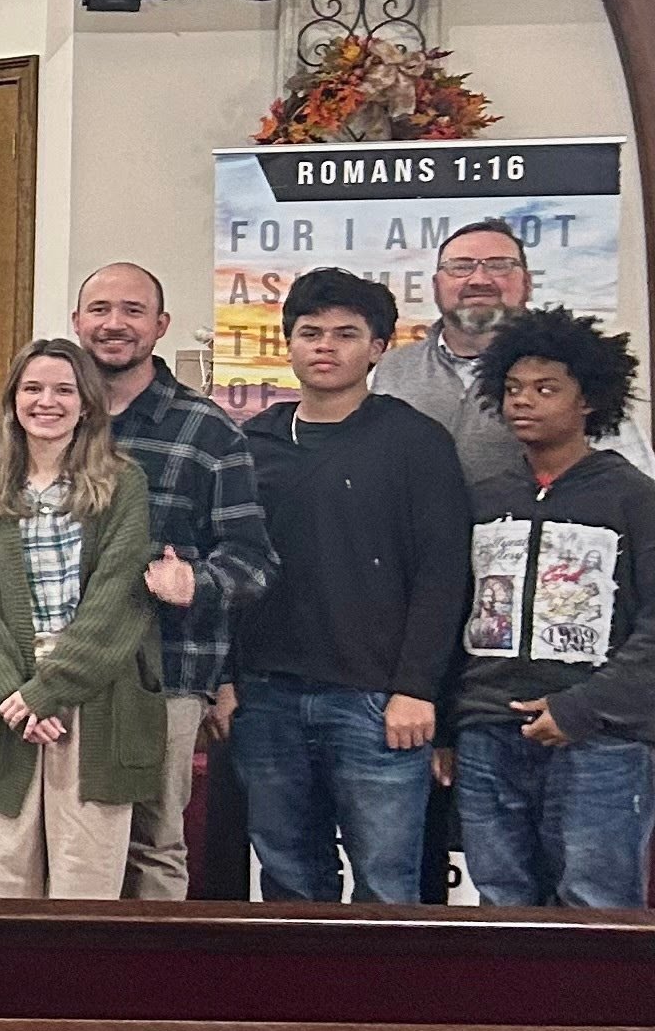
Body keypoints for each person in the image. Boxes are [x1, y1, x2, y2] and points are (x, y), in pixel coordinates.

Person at [235, 268, 471, 903]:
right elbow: (228, 566)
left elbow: (443, 575)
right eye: (310, 332)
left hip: (378, 701)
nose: (325, 346)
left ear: (378, 348)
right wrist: (226, 682)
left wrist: (417, 688)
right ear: (288, 343)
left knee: (387, 884)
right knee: (287, 880)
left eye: (345, 334)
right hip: (267, 696)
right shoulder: (253, 443)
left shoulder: (416, 442)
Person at [69, 264, 276, 898]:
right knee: (66, 838)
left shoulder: (209, 431)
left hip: (165, 669)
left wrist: (195, 582)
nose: (114, 323)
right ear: (76, 322)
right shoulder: (49, 416)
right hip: (55, 667)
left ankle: (145, 964)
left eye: (133, 311)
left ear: (160, 325)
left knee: (152, 843)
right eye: (100, 309)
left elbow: (253, 560)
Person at [453, 306, 655, 909]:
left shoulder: (635, 499)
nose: (523, 401)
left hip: (601, 740)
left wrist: (580, 708)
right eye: (513, 388)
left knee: (596, 906)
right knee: (501, 908)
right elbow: (452, 612)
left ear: (588, 400)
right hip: (488, 731)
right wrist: (450, 721)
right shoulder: (483, 499)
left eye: (546, 389)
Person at [0, 336, 162, 899]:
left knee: (86, 879)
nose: (46, 402)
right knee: (1, 875)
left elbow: (118, 599)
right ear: (12, 400)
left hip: (95, 695)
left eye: (64, 390)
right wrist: (14, 694)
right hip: (10, 701)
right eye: (32, 388)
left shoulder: (122, 484)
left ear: (87, 403)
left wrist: (48, 691)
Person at [369, 219, 538, 487]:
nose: (479, 279)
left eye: (499, 266)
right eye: (461, 267)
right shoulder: (392, 367)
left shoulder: (566, 366)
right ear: (436, 286)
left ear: (527, 283)